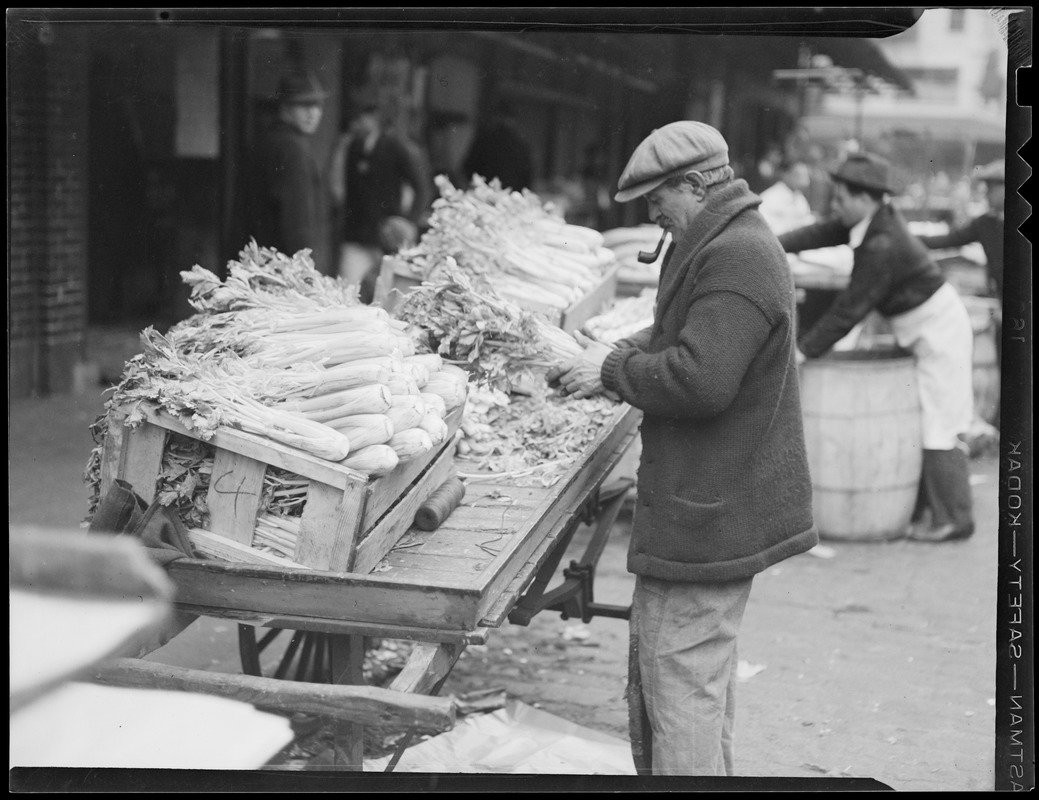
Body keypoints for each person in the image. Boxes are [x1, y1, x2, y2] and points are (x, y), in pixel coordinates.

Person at [547, 121, 817, 776]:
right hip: (708, 500)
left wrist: (612, 374)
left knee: (681, 685)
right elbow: (673, 328)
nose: (651, 213)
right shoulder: (716, 240)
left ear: (695, 185)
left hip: (714, 511)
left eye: (656, 198)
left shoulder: (737, 255)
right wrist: (617, 355)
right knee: (686, 681)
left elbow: (700, 381)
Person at [779, 152, 976, 544]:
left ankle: (955, 519)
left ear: (865, 199)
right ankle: (931, 510)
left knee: (940, 423)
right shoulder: (873, 221)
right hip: (922, 329)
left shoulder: (882, 242)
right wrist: (771, 242)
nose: (835, 206)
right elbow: (820, 233)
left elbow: (849, 310)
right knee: (930, 418)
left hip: (940, 331)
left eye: (840, 198)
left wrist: (804, 351)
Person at [330, 92, 429, 300]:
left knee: (387, 299)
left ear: (373, 118)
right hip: (356, 236)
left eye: (360, 118)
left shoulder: (395, 146)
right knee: (346, 295)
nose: (356, 124)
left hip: (387, 238)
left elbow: (421, 187)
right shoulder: (351, 147)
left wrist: (408, 223)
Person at [247, 71, 333, 275]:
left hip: (263, 263)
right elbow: (297, 217)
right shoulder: (292, 147)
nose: (313, 113)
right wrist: (306, 271)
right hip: (285, 269)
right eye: (304, 105)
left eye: (317, 106)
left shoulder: (271, 139)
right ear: (284, 108)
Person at [916, 159, 1005, 304]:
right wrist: (908, 238)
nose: (986, 194)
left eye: (991, 188)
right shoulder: (985, 223)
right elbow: (950, 240)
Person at [462, 101, 534, 191]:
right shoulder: (521, 144)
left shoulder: (484, 140)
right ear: (513, 120)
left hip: (485, 195)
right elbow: (527, 178)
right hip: (511, 197)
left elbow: (468, 168)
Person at [758, 159, 815, 234]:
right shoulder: (770, 197)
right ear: (786, 174)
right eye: (797, 175)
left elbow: (807, 221)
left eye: (804, 176)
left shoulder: (800, 198)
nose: (803, 181)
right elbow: (767, 228)